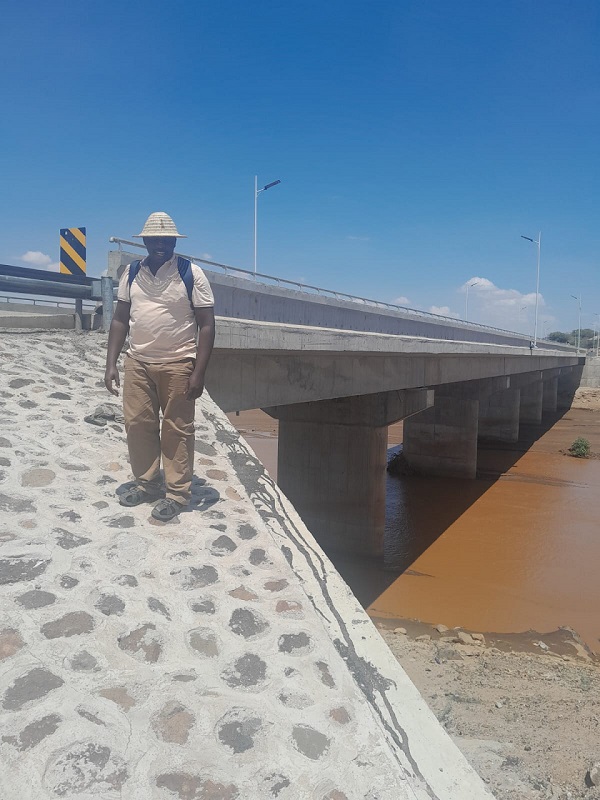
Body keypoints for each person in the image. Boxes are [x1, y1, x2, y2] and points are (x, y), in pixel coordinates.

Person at [104, 212, 215, 521]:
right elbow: (119, 318)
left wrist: (199, 371)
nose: (160, 244)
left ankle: (177, 494)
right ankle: (147, 483)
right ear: (145, 241)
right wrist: (111, 363)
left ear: (173, 241)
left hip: (178, 363)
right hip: (137, 362)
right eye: (154, 239)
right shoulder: (131, 272)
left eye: (166, 239)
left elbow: (206, 325)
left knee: (177, 430)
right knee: (137, 425)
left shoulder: (191, 273)